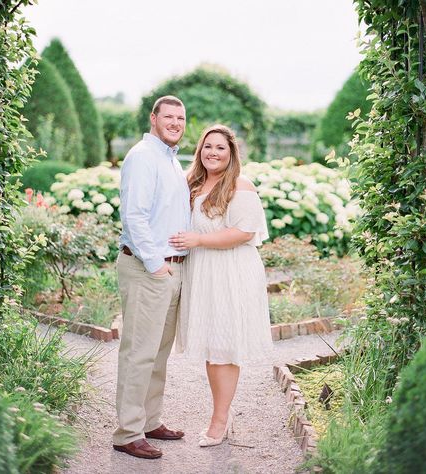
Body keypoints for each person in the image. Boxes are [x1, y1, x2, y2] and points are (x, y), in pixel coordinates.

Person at [169, 124, 273, 447]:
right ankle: (220, 415)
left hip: (231, 272)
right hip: (204, 272)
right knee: (212, 347)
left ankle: (220, 419)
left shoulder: (240, 185)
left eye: (221, 148)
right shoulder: (194, 183)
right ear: (200, 150)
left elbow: (244, 231)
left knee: (224, 347)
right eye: (208, 146)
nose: (213, 153)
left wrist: (199, 239)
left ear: (231, 154)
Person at [112, 96, 191, 459]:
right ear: (154, 119)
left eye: (181, 117)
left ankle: (149, 421)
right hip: (148, 269)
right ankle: (127, 433)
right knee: (139, 353)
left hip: (168, 269)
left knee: (157, 354)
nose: (175, 123)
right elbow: (134, 216)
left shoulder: (169, 159)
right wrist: (157, 263)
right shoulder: (144, 156)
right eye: (169, 117)